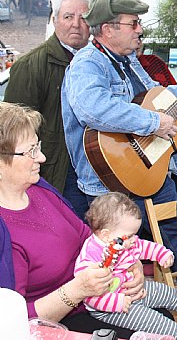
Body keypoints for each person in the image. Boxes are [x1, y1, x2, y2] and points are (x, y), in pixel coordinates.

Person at [60, 0, 177, 267]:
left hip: (152, 169)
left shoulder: (129, 60)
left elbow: (156, 98)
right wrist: (152, 123)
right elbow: (93, 108)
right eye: (133, 23)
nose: (140, 30)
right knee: (117, 258)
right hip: (109, 181)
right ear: (107, 29)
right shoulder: (87, 64)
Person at [0, 102, 145, 338]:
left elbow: (88, 236)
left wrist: (130, 261)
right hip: (60, 322)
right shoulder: (4, 232)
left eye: (38, 146)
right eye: (30, 152)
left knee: (161, 317)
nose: (43, 157)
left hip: (96, 299)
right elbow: (13, 324)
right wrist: (76, 290)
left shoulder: (39, 189)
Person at [75, 192, 177, 340]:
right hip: (111, 308)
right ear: (106, 235)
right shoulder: (90, 259)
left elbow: (143, 246)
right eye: (130, 236)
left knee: (166, 292)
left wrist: (162, 254)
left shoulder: (123, 239)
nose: (133, 240)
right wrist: (117, 302)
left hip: (133, 289)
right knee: (153, 321)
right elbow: (89, 295)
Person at [4, 0, 91, 219]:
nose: (76, 25)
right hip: (55, 175)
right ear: (54, 21)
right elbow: (14, 131)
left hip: (94, 170)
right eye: (68, 17)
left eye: (83, 18)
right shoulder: (31, 65)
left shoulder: (96, 63)